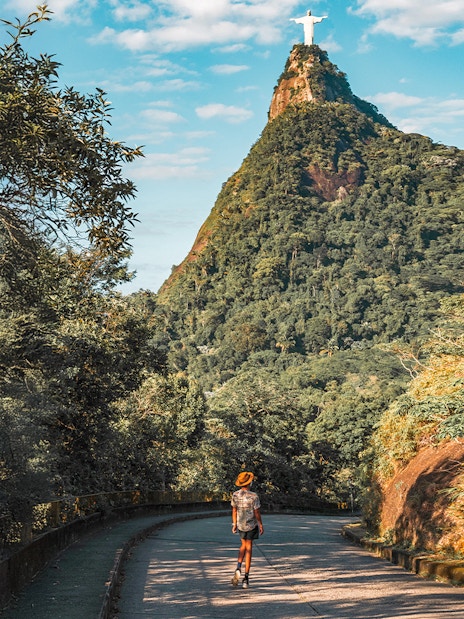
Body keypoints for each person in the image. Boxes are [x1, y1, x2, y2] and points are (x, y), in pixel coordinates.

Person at [230, 471, 264, 589]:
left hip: (240, 524)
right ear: (249, 482)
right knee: (249, 548)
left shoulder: (235, 495)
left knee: (242, 545)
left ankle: (238, 566)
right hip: (251, 524)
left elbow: (234, 510)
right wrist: (260, 524)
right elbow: (257, 512)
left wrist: (234, 524)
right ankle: (246, 577)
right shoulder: (254, 496)